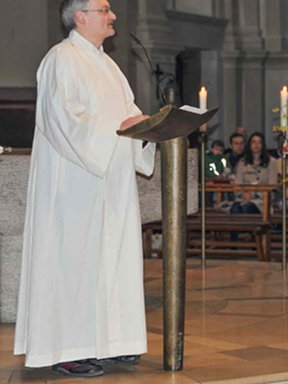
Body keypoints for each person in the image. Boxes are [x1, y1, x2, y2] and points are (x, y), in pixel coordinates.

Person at [14, 0, 155, 377]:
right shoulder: (61, 59)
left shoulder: (108, 65)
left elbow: (127, 115)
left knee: (112, 261)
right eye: (104, 9)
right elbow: (63, 122)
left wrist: (144, 127)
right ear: (81, 16)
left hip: (111, 183)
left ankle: (113, 341)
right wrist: (120, 128)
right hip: (74, 186)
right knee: (73, 263)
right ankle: (67, 347)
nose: (112, 16)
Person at [230, 132, 278, 215]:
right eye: (253, 142)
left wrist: (254, 195)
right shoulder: (242, 162)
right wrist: (243, 194)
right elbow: (238, 183)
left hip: (262, 200)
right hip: (243, 198)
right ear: (249, 145)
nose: (256, 145)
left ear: (263, 145)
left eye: (259, 142)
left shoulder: (271, 162)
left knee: (247, 208)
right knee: (235, 208)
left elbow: (272, 186)